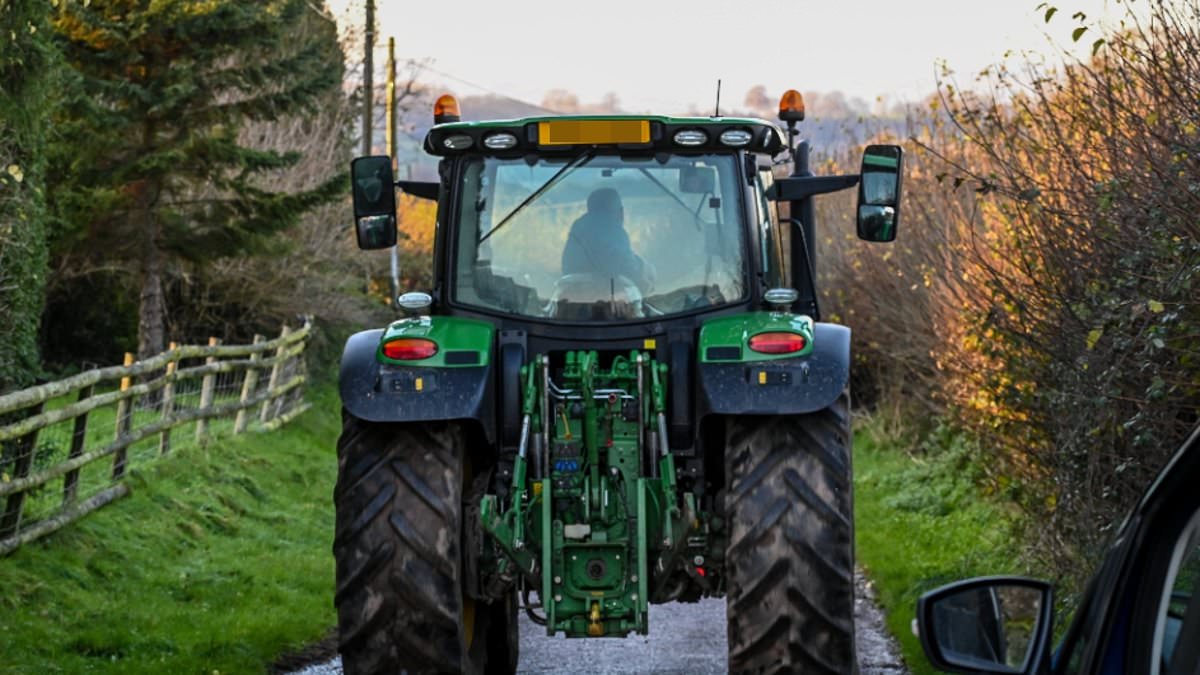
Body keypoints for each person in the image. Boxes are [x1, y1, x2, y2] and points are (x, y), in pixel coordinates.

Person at [561, 188, 652, 292]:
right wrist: (642, 267)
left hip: (572, 299)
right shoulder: (614, 229)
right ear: (621, 212)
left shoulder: (577, 228)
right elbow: (627, 269)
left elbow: (568, 268)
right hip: (604, 300)